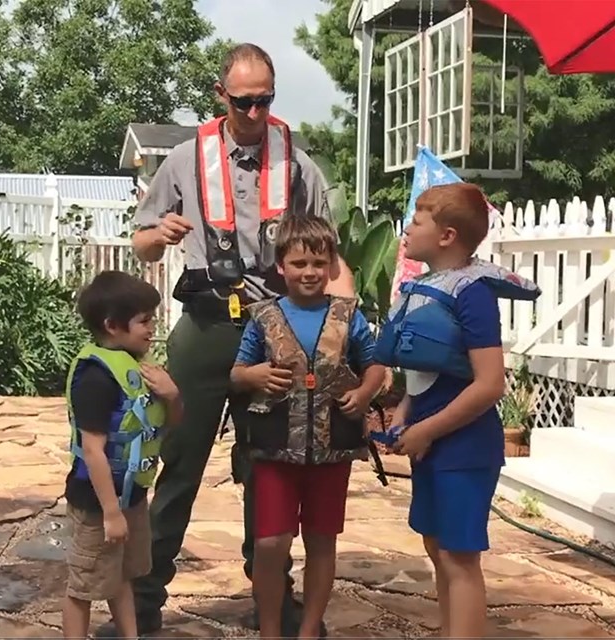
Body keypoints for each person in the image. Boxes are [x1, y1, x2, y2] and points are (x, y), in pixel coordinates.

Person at [94, 43, 354, 638]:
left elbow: (331, 257)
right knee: (178, 462)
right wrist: (159, 232)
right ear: (221, 96)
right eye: (244, 102)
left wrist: (345, 326)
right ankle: (146, 599)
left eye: (266, 100)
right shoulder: (187, 159)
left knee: (270, 465)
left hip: (276, 330)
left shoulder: (298, 165)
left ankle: (272, 598)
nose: (256, 113)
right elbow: (141, 244)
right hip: (207, 326)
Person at [374, 183, 540, 638]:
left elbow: (489, 384)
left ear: (447, 235)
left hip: (465, 446)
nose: (407, 229)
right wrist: (408, 408)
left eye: (417, 220)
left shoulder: (473, 293)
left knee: (458, 556)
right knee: (435, 545)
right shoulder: (428, 286)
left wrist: (427, 430)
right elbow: (430, 371)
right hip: (432, 440)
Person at [230, 215, 386, 639]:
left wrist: (366, 392)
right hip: (275, 451)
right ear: (281, 266)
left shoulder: (348, 315)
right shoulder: (262, 316)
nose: (310, 272)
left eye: (319, 262)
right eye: (299, 264)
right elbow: (237, 373)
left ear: (331, 265)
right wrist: (255, 376)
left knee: (321, 542)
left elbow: (374, 365)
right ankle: (270, 629)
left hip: (332, 449)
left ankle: (310, 629)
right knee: (269, 545)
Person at [62, 271, 182, 640]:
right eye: (144, 320)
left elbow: (169, 423)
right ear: (112, 326)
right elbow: (94, 451)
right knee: (83, 587)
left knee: (124, 577)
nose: (152, 328)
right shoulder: (96, 377)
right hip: (98, 504)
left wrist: (173, 395)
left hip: (131, 497)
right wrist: (111, 513)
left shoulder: (137, 368)